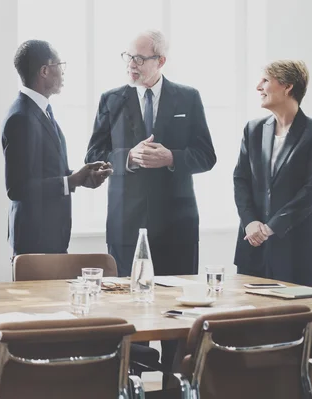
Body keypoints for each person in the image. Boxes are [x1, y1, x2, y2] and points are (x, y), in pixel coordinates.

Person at [85, 30, 216, 383]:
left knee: (177, 315)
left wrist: (172, 157)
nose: (132, 65)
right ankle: (134, 383)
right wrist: (128, 156)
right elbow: (93, 157)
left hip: (177, 224)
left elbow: (207, 155)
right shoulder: (111, 99)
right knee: (129, 312)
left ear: (161, 61)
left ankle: (176, 383)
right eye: (127, 57)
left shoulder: (188, 98)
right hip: (126, 225)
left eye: (140, 59)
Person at [3, 40, 112, 256]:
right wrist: (72, 181)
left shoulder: (41, 110)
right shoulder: (21, 117)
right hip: (34, 243)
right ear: (44, 71)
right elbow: (17, 188)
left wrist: (82, 177)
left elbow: (45, 172)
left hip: (51, 238)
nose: (63, 74)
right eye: (60, 66)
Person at [233, 60, 312, 289]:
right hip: (254, 247)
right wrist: (249, 222)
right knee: (251, 320)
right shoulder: (253, 130)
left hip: (299, 250)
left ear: (287, 86)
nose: (259, 87)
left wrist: (271, 227)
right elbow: (241, 179)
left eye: (265, 80)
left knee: (300, 322)